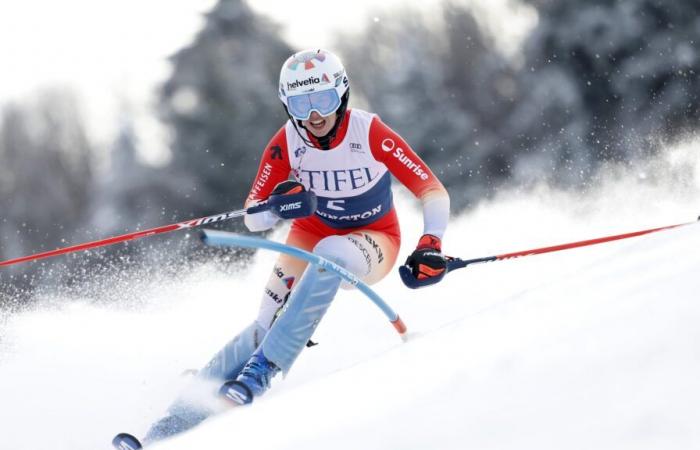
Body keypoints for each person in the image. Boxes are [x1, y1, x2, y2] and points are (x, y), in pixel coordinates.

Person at [141, 49, 450, 445]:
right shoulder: (286, 142)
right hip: (308, 235)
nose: (314, 116)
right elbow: (254, 216)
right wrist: (279, 205)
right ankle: (171, 424)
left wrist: (431, 243)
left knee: (331, 257)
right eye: (302, 105)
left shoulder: (369, 132)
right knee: (264, 327)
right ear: (288, 105)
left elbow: (432, 189)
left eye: (322, 101)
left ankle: (265, 369)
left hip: (375, 240)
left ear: (341, 96)